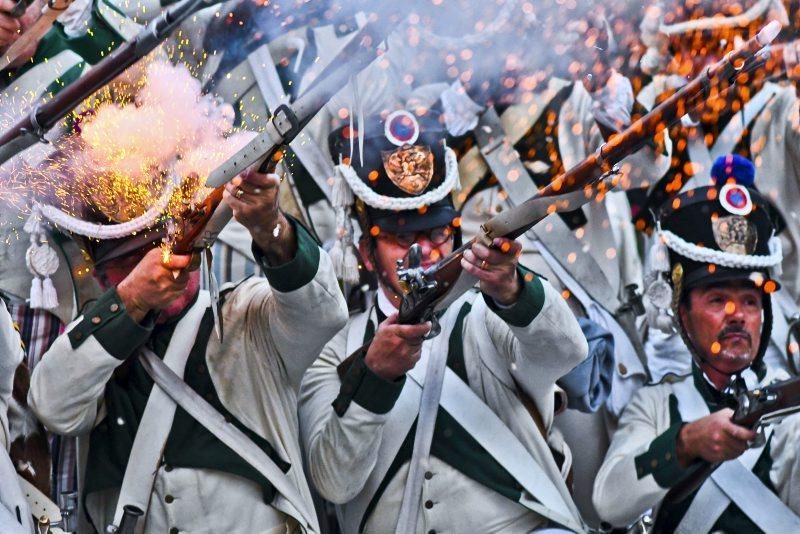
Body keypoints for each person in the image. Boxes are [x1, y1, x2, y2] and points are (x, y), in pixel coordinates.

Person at [299, 106, 589, 533]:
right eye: (401, 239)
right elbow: (334, 482)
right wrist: (375, 376)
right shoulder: (333, 349)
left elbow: (566, 352)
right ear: (365, 253)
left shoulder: (489, 313)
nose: (423, 254)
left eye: (436, 234)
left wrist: (511, 289)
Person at [27, 164, 348, 533]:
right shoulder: (99, 348)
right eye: (131, 260)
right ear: (102, 279)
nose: (158, 263)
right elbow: (52, 405)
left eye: (164, 244)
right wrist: (130, 300)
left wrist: (270, 227)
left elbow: (323, 312)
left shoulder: (246, 312)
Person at [592, 171, 800, 531]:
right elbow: (609, 503)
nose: (738, 315)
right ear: (682, 313)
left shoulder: (790, 407)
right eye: (718, 300)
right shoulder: (655, 404)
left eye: (750, 302)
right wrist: (686, 443)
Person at [634, 0, 800, 378]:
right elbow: (622, 178)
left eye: (717, 46)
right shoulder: (657, 112)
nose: (706, 63)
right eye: (692, 48)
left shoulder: (783, 106)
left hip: (772, 331)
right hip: (672, 338)